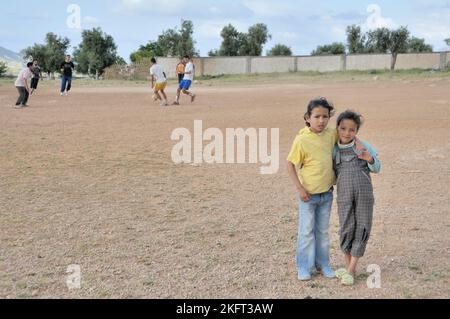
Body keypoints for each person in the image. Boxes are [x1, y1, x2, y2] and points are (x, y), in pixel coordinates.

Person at [287, 97, 338, 281]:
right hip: (308, 196)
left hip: (327, 194)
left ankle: (322, 264)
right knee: (306, 232)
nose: (321, 121)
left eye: (325, 116)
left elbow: (348, 138)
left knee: (323, 232)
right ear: (307, 117)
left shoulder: (331, 135)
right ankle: (303, 266)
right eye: (317, 116)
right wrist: (300, 189)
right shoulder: (301, 140)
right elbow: (290, 165)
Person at [333, 110, 381, 286]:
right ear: (337, 128)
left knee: (362, 226)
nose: (347, 133)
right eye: (343, 128)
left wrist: (369, 158)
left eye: (351, 130)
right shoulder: (334, 149)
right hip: (344, 194)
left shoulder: (363, 145)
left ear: (357, 131)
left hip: (364, 193)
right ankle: (348, 269)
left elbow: (377, 168)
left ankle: (351, 270)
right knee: (346, 226)